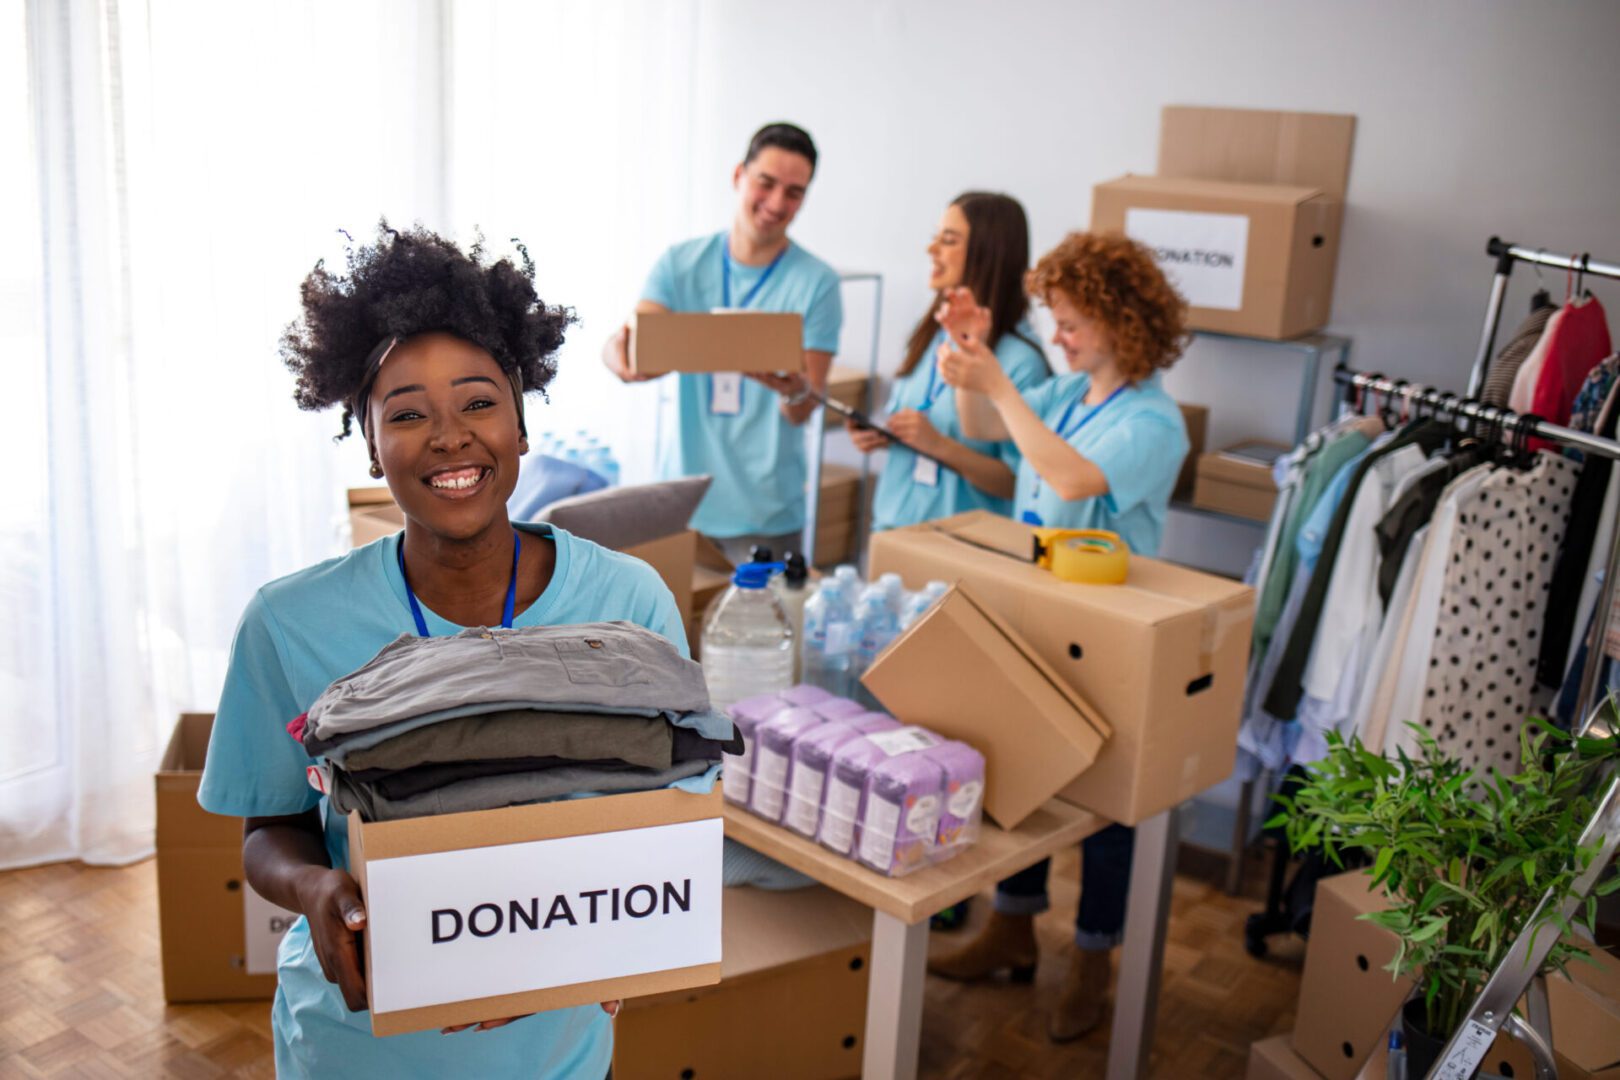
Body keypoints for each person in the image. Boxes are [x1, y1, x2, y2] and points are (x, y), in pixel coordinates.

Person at [199, 223, 703, 1078]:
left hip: (555, 1045)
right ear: (368, 442)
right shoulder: (288, 622)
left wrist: (616, 943)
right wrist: (314, 890)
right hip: (359, 1045)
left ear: (520, 423)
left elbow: (674, 807)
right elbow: (270, 826)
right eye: (406, 414)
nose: (449, 436)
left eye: (477, 402)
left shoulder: (630, 603)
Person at [927, 231, 1190, 1042]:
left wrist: (1002, 382)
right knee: (1027, 776)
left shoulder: (1153, 421)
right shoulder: (1074, 394)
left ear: (1121, 323)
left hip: (1114, 637)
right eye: (1057, 321)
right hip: (1043, 615)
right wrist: (968, 353)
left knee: (1109, 809)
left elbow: (1072, 478)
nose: (1062, 337)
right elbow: (988, 424)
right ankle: (1012, 929)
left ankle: (1093, 961)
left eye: (1072, 323)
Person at [603, 122, 843, 565]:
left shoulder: (818, 283)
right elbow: (635, 345)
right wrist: (619, 356)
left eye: (793, 193)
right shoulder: (680, 264)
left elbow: (804, 406)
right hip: (683, 503)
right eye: (766, 184)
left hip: (767, 513)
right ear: (739, 176)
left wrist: (792, 389)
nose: (776, 204)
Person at [849, 192, 1050, 529]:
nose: (932, 250)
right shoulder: (932, 334)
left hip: (957, 550)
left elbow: (1018, 483)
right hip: (893, 530)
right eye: (935, 238)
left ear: (987, 254)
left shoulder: (1021, 363)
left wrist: (939, 446)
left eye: (948, 240)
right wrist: (886, 435)